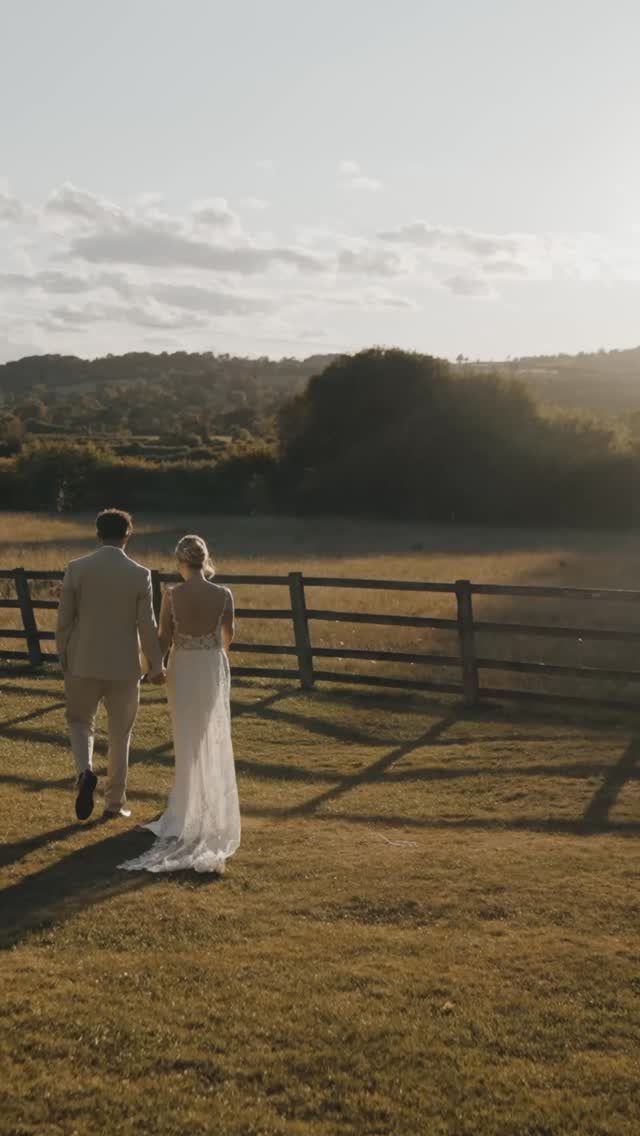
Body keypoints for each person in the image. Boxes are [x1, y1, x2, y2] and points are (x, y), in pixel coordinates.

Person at [118, 534, 241, 874]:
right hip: (212, 665)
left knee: (186, 735)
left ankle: (187, 807)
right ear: (205, 558)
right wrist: (213, 655)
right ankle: (203, 803)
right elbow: (229, 636)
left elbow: (163, 638)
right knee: (208, 732)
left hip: (183, 667)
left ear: (180, 562)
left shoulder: (172, 595)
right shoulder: (224, 594)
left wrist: (152, 668)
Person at [56, 508, 166, 822]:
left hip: (83, 660)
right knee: (120, 735)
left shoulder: (77, 569)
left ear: (97, 534)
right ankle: (114, 802)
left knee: (79, 722)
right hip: (125, 666)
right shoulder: (139, 574)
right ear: (127, 536)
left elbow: (64, 620)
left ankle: (84, 772)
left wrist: (63, 653)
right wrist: (156, 665)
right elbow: (147, 625)